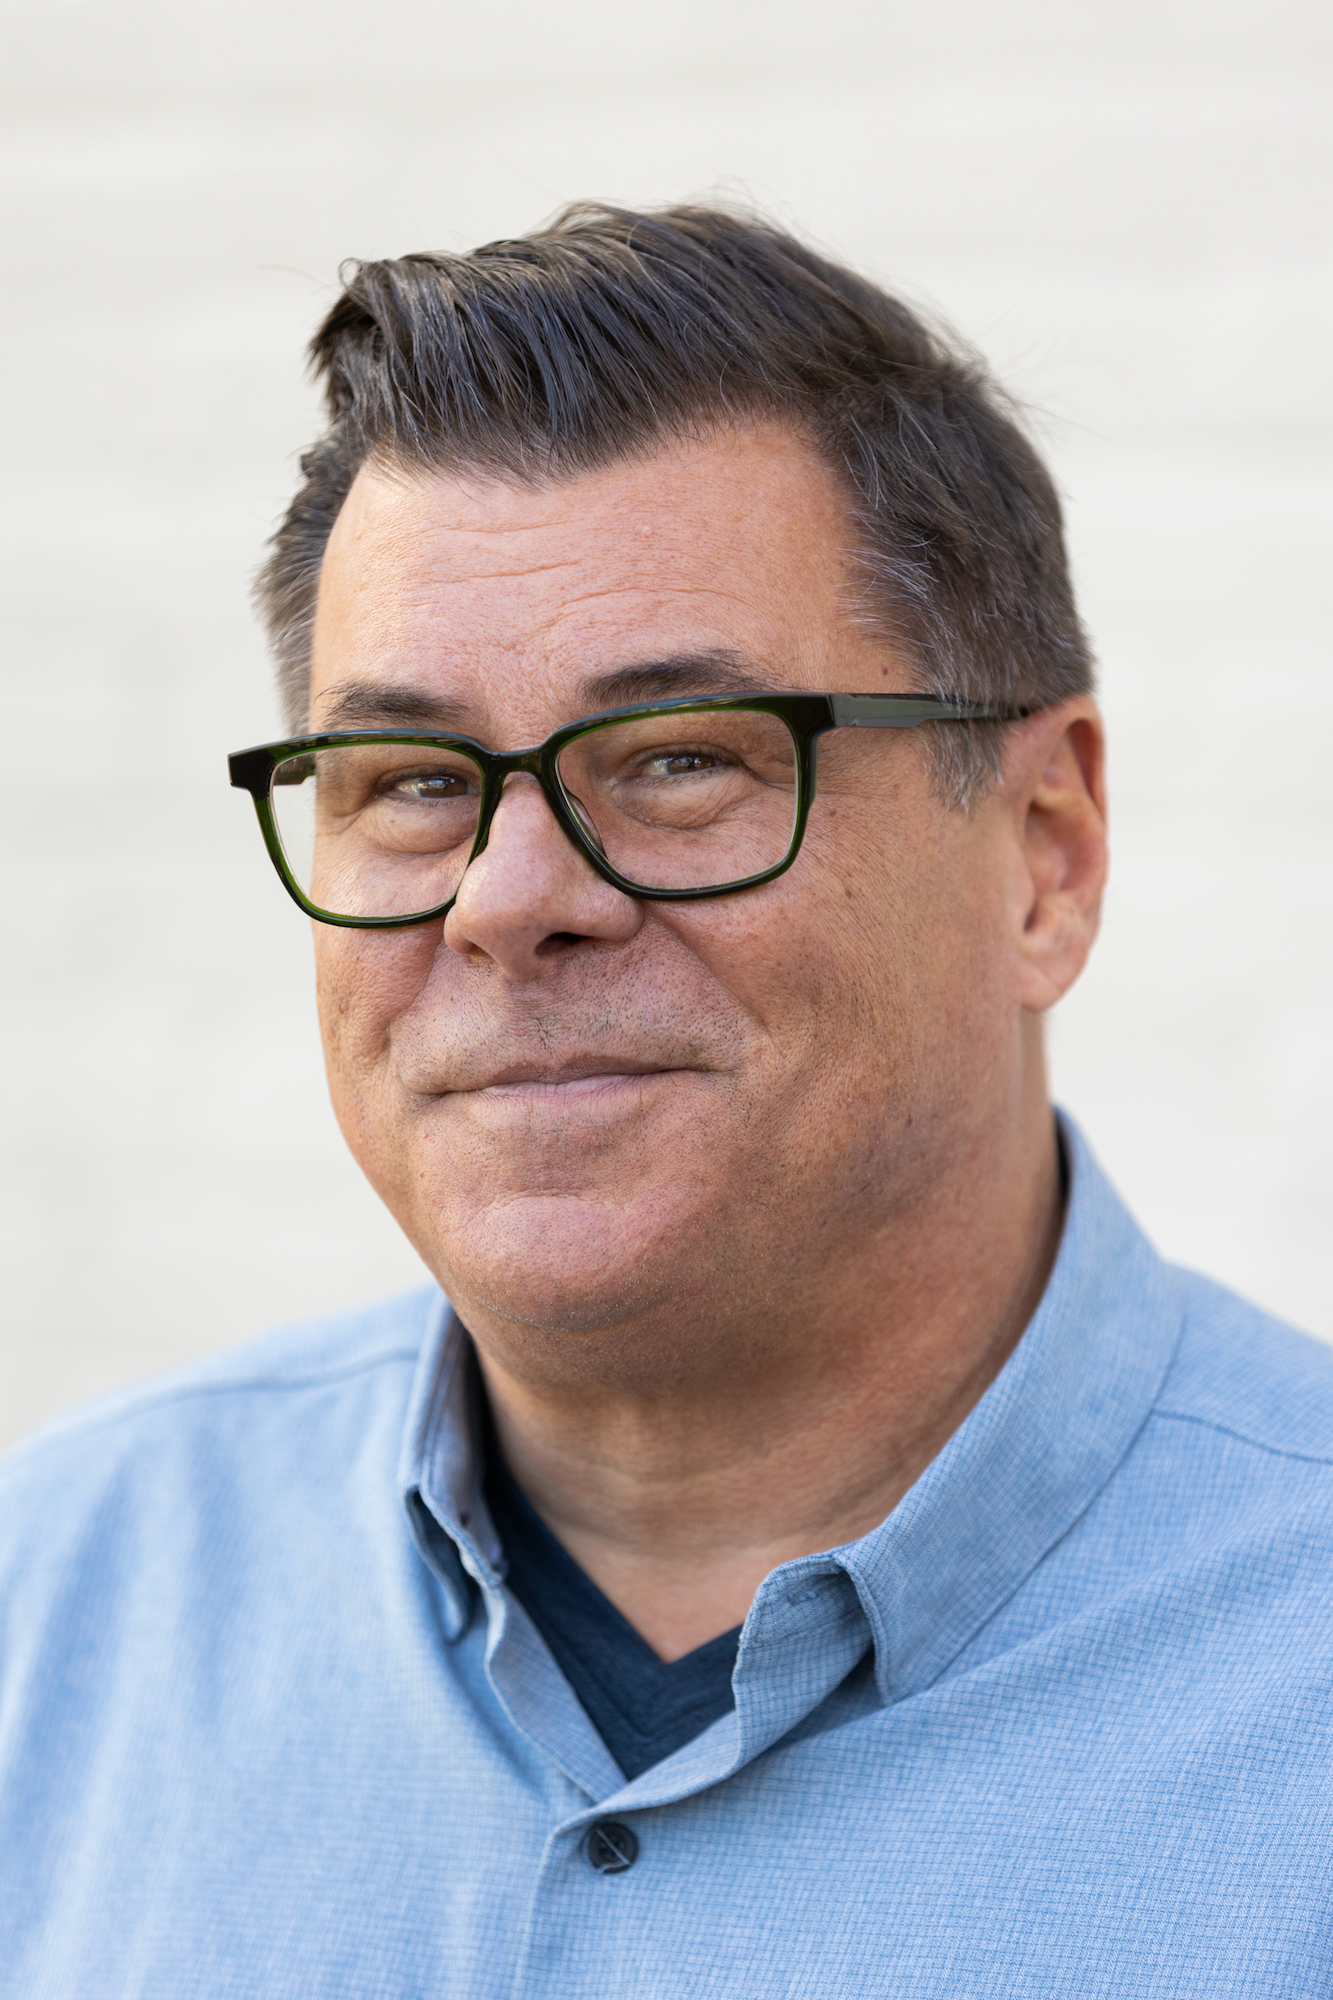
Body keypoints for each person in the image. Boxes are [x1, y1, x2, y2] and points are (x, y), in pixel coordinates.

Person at [3, 204, 1331, 2000]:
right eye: (407, 781)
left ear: (1044, 857)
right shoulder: (53, 1614)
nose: (504, 898)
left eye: (683, 760)